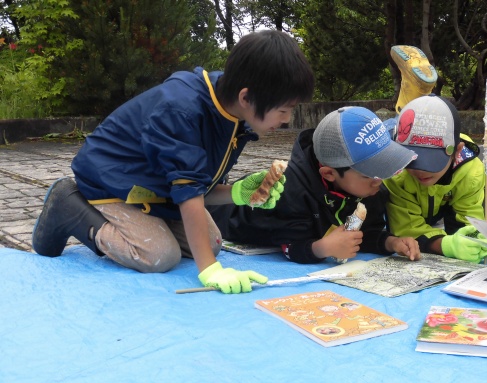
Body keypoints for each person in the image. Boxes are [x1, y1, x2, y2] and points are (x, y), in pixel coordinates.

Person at [31, 30, 315, 294]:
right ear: (246, 97)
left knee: (212, 244)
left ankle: (149, 224)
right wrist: (209, 269)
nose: (287, 120)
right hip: (110, 180)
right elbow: (189, 194)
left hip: (155, 189)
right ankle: (67, 206)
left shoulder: (233, 114)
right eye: (283, 110)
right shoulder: (183, 111)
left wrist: (238, 193)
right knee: (158, 255)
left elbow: (197, 187)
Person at [210, 106, 421, 264]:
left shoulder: (370, 187)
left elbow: (365, 234)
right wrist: (323, 248)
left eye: (383, 169)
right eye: (370, 174)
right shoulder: (291, 194)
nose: (380, 180)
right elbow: (287, 246)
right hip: (224, 214)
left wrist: (391, 243)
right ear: (329, 173)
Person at [384, 95, 487, 263]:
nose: (420, 170)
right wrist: (446, 246)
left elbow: (468, 220)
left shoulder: (469, 171)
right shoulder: (395, 172)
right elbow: (407, 229)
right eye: (411, 160)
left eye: (431, 161)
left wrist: (474, 238)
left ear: (457, 151)